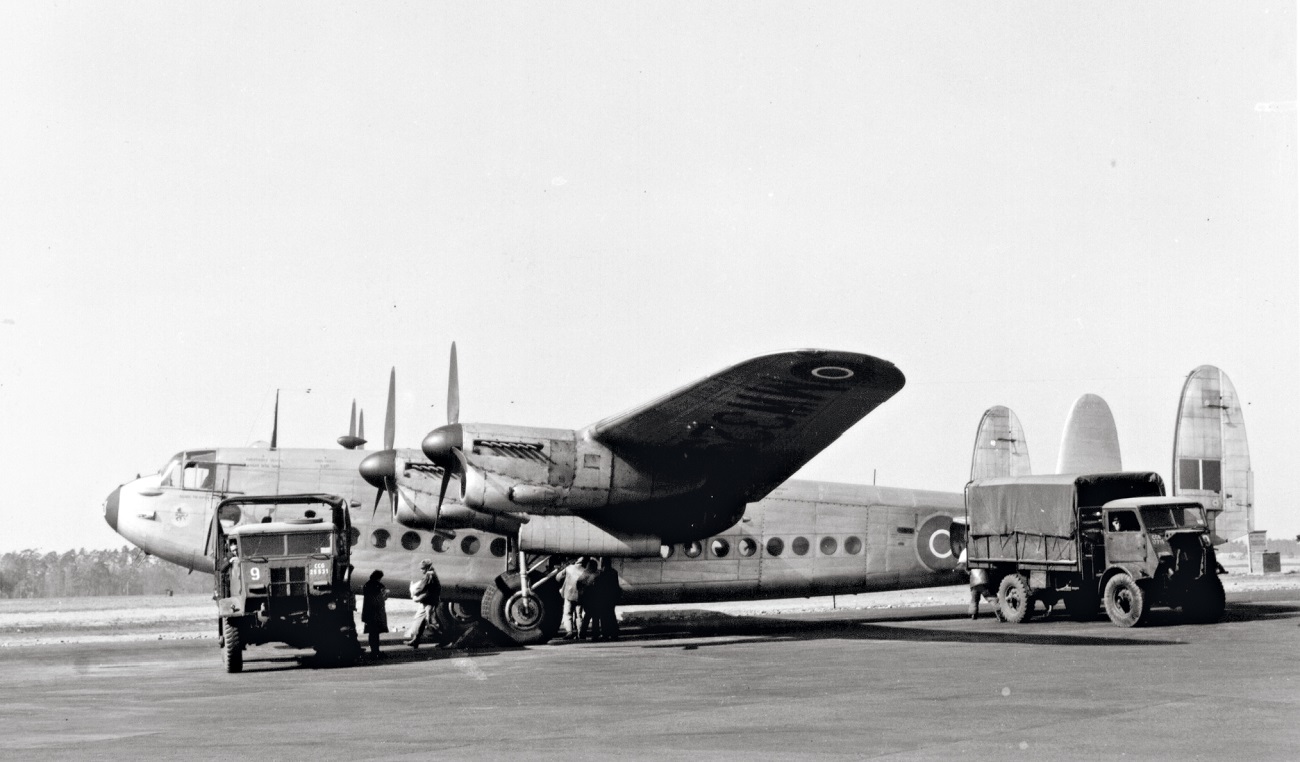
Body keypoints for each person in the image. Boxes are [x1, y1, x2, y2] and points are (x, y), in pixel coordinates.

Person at [405, 560, 441, 649]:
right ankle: (415, 640)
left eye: (422, 568)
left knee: (432, 622)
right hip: (426, 601)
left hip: (429, 603)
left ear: (427, 567)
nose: (421, 570)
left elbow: (421, 587)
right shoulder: (431, 574)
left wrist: (414, 592)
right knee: (419, 621)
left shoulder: (429, 575)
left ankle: (445, 639)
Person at [556, 557, 586, 639]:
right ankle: (580, 633)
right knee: (579, 615)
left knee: (567, 614)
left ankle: (569, 632)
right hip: (580, 596)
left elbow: (558, 577)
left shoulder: (569, 568)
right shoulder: (585, 570)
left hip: (568, 595)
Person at [361, 570, 389, 657]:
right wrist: (387, 593)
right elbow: (383, 597)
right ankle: (375, 651)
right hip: (377, 612)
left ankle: (373, 650)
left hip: (368, 611)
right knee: (375, 633)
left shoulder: (367, 585)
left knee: (371, 633)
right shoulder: (379, 586)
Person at [593, 560, 621, 641]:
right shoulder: (614, 572)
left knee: (604, 617)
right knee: (611, 615)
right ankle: (614, 634)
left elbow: (598, 585)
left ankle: (605, 634)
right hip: (611, 597)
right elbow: (616, 585)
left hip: (603, 597)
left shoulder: (600, 573)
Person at [575, 557, 601, 640]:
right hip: (595, 599)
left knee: (587, 617)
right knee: (595, 618)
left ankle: (582, 634)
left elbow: (578, 585)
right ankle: (595, 635)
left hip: (586, 599)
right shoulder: (596, 575)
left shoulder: (583, 575)